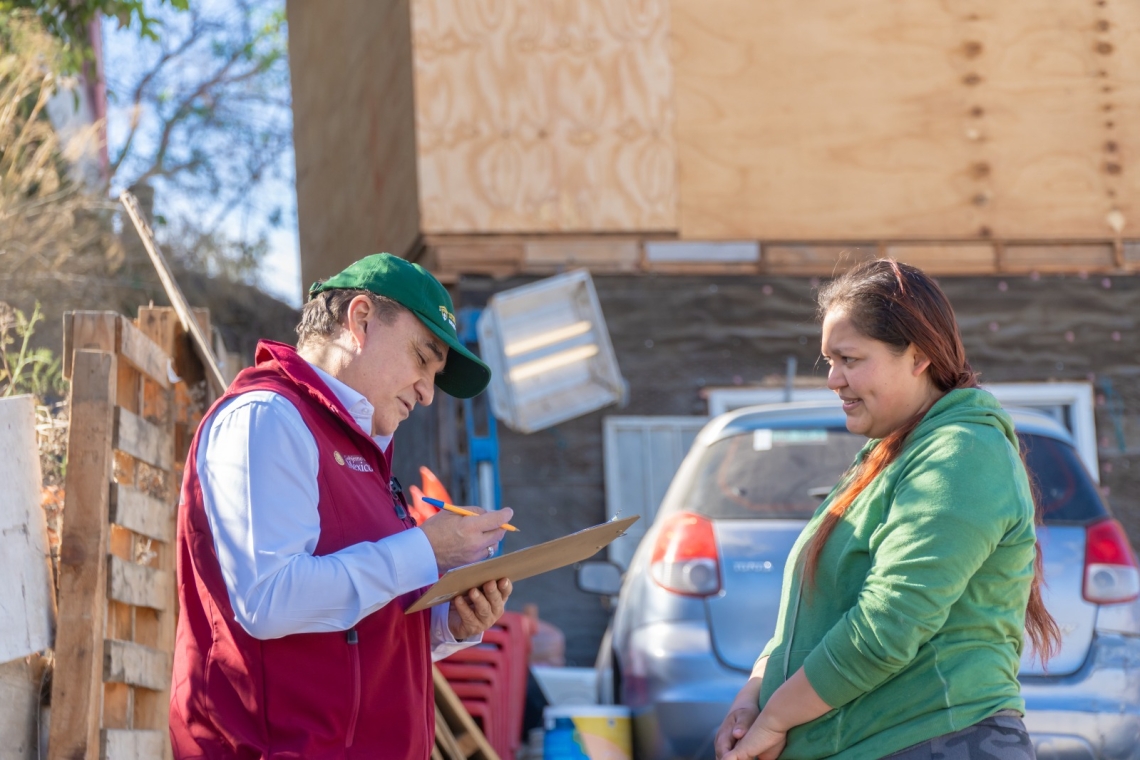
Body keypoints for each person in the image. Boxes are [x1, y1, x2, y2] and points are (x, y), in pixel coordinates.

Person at [170, 253, 516, 759]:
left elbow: (358, 624)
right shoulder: (267, 418)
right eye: (423, 358)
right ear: (360, 320)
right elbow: (268, 601)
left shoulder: (360, 449)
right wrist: (424, 549)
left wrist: (449, 624)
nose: (426, 394)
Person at [715, 259, 1061, 760]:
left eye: (850, 359)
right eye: (828, 361)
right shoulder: (891, 456)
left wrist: (774, 719)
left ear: (918, 357)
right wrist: (752, 695)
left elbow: (886, 627)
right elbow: (812, 619)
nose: (833, 379)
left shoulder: (961, 453)